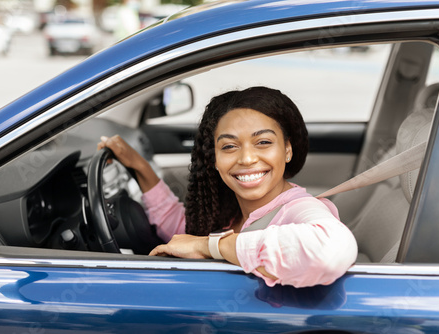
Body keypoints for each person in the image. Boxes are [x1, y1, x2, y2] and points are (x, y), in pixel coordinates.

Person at [98, 86, 357, 288]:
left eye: (263, 142)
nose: (246, 159)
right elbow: (184, 231)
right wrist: (140, 167)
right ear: (215, 159)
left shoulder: (300, 208)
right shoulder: (232, 212)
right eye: (229, 146)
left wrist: (209, 247)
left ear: (287, 149)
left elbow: (331, 249)